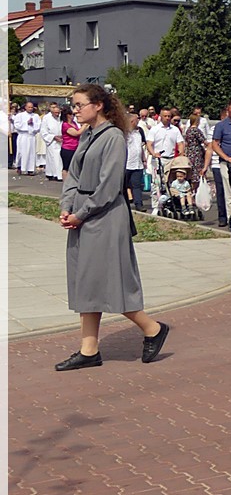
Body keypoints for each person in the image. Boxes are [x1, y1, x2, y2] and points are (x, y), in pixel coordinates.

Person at [55, 84, 169, 371]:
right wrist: (66, 207)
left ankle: (152, 328)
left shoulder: (114, 137)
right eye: (73, 105)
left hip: (104, 217)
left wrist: (81, 213)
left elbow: (109, 186)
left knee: (111, 280)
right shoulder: (87, 135)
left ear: (98, 105)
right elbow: (73, 176)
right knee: (86, 281)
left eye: (79, 104)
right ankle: (89, 348)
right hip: (83, 215)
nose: (75, 110)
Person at [124, 114, 147, 210]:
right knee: (123, 185)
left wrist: (143, 158)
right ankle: (123, 205)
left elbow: (140, 147)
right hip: (126, 164)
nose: (137, 122)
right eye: (135, 121)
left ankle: (139, 204)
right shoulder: (124, 134)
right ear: (131, 122)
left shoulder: (139, 132)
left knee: (136, 185)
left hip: (137, 164)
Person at [183, 111, 209, 196]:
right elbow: (204, 141)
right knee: (197, 172)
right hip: (197, 153)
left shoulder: (188, 130)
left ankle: (191, 191)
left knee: (192, 172)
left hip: (190, 152)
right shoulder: (196, 130)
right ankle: (195, 191)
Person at [40, 102, 65, 181]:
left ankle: (57, 174)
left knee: (60, 158)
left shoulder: (62, 117)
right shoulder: (46, 118)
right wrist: (53, 137)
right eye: (55, 112)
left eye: (58, 112)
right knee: (54, 158)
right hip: (52, 141)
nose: (57, 114)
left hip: (62, 140)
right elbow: (43, 131)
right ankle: (56, 175)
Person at [14, 101, 40, 175]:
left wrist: (33, 124)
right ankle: (20, 166)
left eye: (31, 107)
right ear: (25, 107)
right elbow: (17, 125)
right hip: (23, 136)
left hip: (31, 136)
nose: (30, 109)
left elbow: (39, 126)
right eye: (29, 107)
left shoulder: (36, 116)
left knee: (31, 153)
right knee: (22, 152)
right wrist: (26, 123)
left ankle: (30, 169)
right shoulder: (20, 115)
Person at [59, 107, 83, 181]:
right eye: (72, 114)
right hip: (67, 148)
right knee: (66, 167)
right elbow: (76, 133)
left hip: (75, 147)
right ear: (68, 115)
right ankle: (66, 182)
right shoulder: (65, 125)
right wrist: (85, 125)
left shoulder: (74, 123)